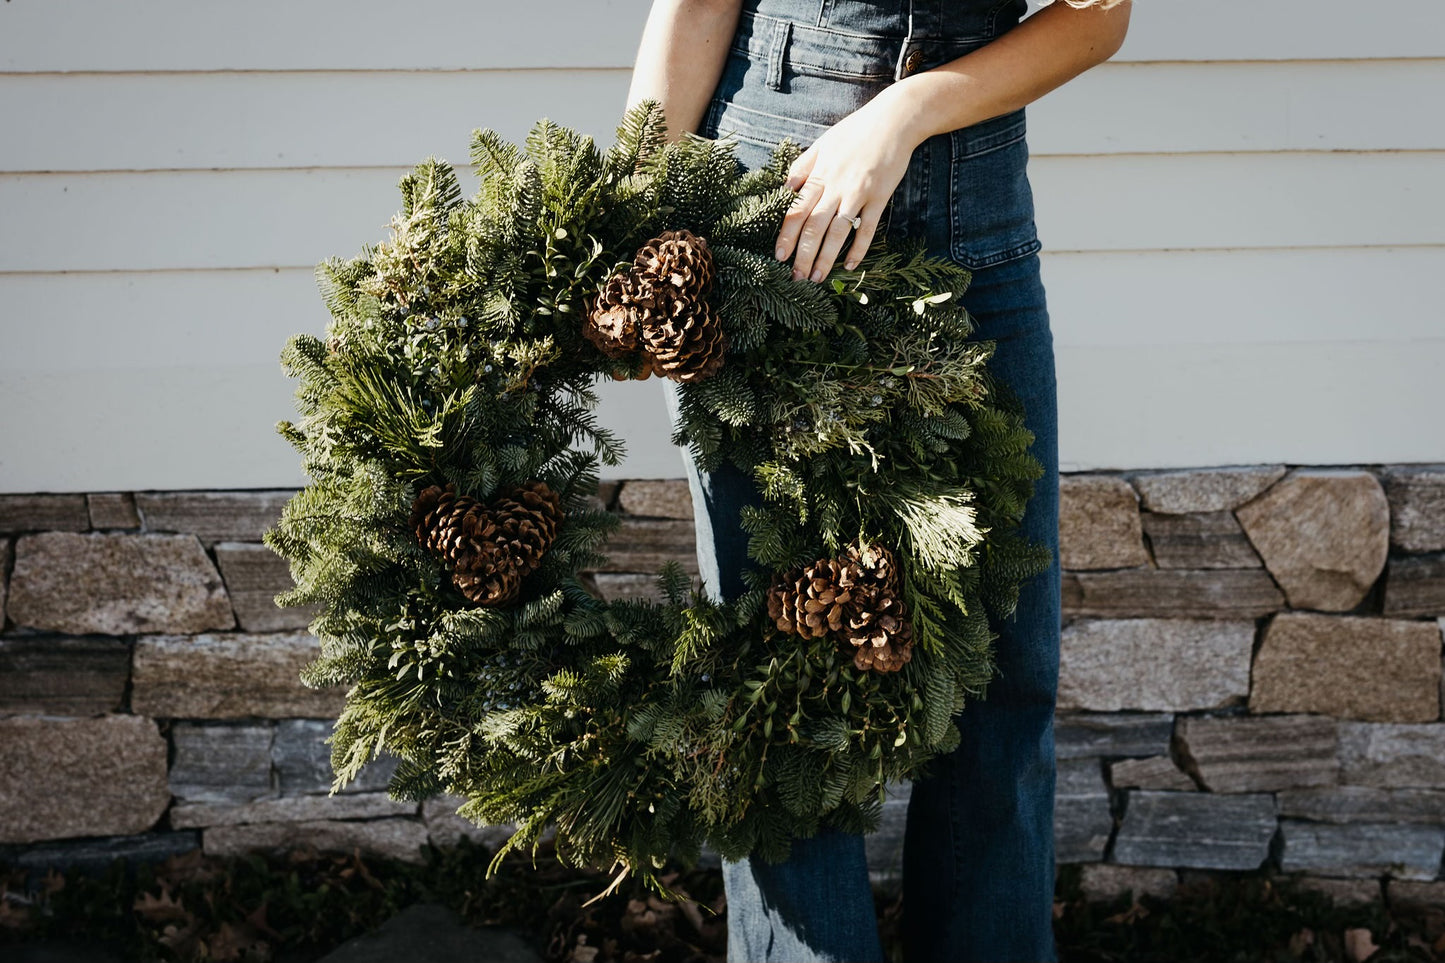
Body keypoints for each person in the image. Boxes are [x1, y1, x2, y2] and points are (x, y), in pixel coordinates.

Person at [629, 1, 1132, 960]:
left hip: (972, 215)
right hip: (764, 207)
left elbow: (1096, 17)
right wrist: (640, 222)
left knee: (1004, 673)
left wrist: (896, 117)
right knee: (776, 677)